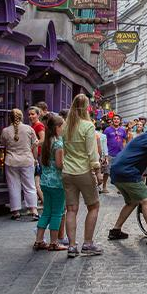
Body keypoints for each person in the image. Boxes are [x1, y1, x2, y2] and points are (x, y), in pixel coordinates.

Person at [61, 94, 103, 257]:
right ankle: (87, 243)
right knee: (93, 206)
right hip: (84, 171)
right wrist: (98, 171)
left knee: (71, 209)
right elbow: (92, 152)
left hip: (68, 172)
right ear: (86, 108)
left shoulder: (65, 126)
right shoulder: (88, 126)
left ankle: (72, 246)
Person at [34, 113, 67, 250]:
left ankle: (39, 240)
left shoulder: (46, 141)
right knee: (57, 212)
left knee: (46, 211)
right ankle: (54, 242)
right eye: (63, 126)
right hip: (57, 183)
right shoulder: (58, 143)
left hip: (45, 181)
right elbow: (59, 164)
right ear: (58, 127)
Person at [0, 109, 39, 221]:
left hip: (11, 161)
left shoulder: (6, 131)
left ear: (10, 118)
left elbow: (3, 144)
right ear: (21, 117)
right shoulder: (29, 129)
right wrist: (35, 158)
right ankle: (34, 210)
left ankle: (16, 211)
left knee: (14, 186)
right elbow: (35, 145)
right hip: (27, 160)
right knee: (30, 185)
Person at [28, 106, 46, 207]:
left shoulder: (38, 125)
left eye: (33, 114)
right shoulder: (34, 125)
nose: (30, 116)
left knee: (36, 180)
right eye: (29, 114)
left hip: (37, 154)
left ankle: (44, 202)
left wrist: (34, 144)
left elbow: (43, 139)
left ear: (38, 115)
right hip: (35, 154)